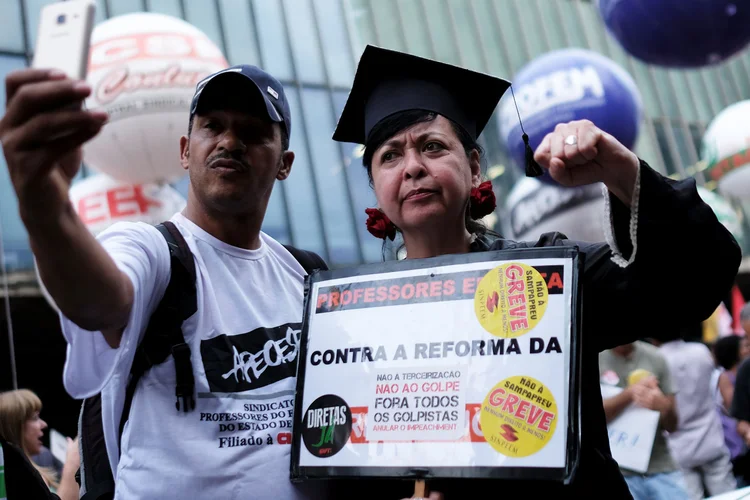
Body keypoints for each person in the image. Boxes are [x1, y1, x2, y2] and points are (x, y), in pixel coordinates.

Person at [328, 45, 741, 498]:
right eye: (389, 156)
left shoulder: (546, 277)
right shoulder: (354, 320)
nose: (412, 168)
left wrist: (622, 172)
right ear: (374, 184)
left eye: (432, 146)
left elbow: (694, 277)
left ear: (473, 166)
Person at [0, 65, 327, 498]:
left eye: (252, 131)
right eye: (212, 126)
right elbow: (100, 302)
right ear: (185, 150)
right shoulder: (151, 249)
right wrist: (44, 202)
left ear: (284, 164)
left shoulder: (307, 274)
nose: (229, 142)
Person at [599, 342, 688, 500]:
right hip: (617, 470)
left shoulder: (655, 356)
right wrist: (630, 394)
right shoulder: (596, 358)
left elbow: (673, 425)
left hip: (660, 466)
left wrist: (664, 406)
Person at [654, 337, 736, 498]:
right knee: (727, 495)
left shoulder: (657, 358)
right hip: (707, 436)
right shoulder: (700, 351)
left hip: (680, 443)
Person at [0, 390, 79, 500]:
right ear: (14, 426)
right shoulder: (26, 480)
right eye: (35, 418)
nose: (44, 424)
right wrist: (72, 464)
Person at [714, 334, 750, 485]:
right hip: (735, 433)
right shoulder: (727, 376)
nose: (747, 348)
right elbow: (732, 406)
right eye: (744, 346)